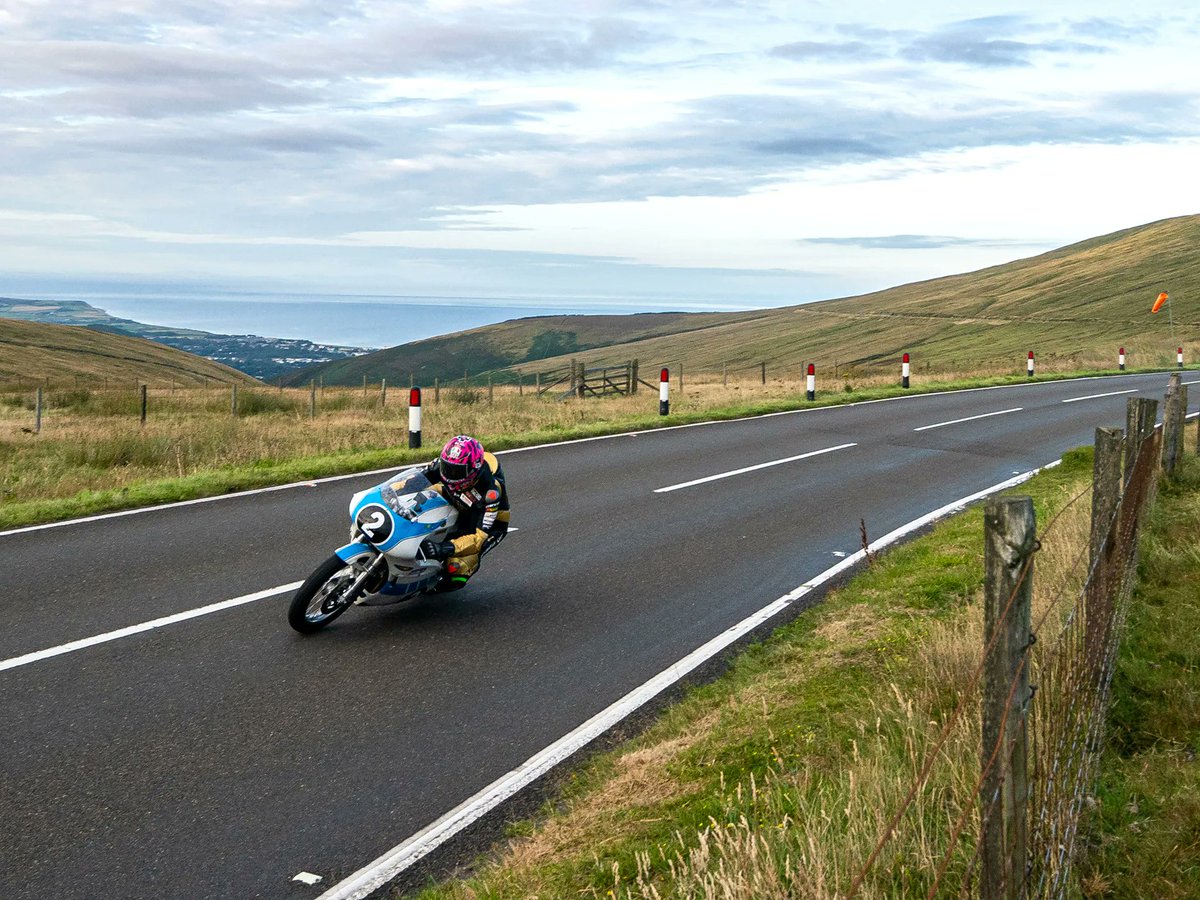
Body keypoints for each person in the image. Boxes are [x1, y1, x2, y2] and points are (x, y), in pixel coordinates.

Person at [418, 435, 510, 591]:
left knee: (458, 569)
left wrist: (444, 548)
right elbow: (414, 480)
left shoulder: (491, 492)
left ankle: (438, 581)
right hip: (457, 498)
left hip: (483, 520)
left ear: (474, 470)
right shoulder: (441, 464)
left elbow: (479, 538)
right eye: (448, 468)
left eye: (457, 471)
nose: (450, 475)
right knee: (423, 495)